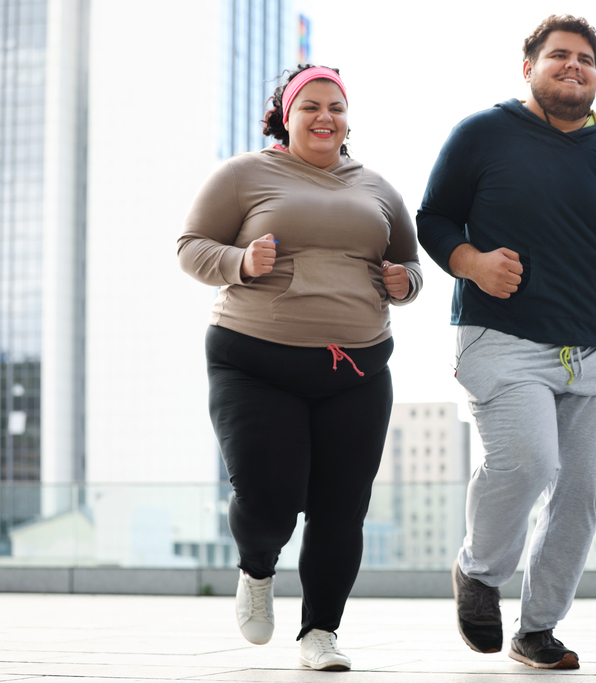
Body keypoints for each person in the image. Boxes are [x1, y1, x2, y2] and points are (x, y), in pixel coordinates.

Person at [417, 14, 596, 671]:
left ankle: (537, 628)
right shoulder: (483, 134)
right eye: (559, 55)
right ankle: (479, 569)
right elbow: (433, 218)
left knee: (586, 489)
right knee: (529, 461)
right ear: (527, 66)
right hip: (501, 338)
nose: (574, 65)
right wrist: (472, 262)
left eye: (586, 58)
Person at [178, 64, 422, 672]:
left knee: (342, 507)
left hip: (358, 369)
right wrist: (241, 261)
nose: (324, 117)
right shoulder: (243, 175)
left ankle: (321, 631)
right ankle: (257, 569)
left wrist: (405, 282)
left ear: (347, 121)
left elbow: (410, 266)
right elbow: (190, 248)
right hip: (255, 359)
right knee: (269, 499)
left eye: (335, 108)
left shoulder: (379, 188)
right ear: (286, 116)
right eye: (310, 106)